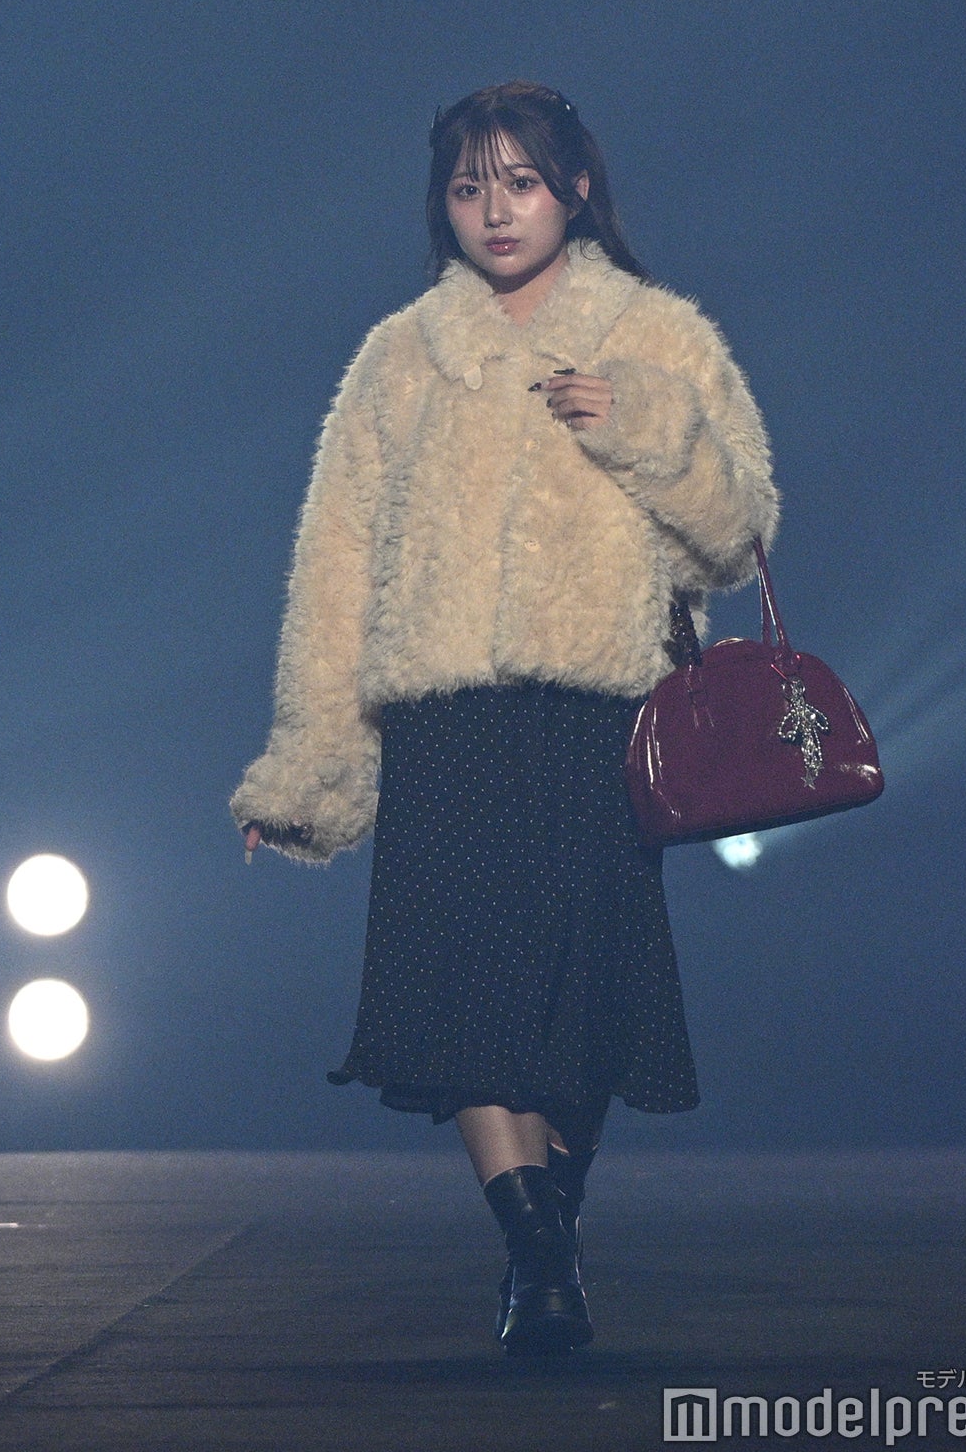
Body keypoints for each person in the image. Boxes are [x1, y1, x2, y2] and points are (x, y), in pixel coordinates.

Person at [232, 80, 779, 1356]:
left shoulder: (658, 335)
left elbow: (740, 531)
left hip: (599, 714)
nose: (494, 210)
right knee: (463, 993)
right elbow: (335, 568)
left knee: (585, 1003)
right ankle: (540, 1256)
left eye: (520, 182)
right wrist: (310, 763)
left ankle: (545, 1252)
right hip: (447, 720)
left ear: (575, 187)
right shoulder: (399, 356)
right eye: (469, 186)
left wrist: (641, 424)